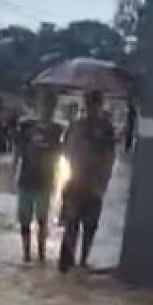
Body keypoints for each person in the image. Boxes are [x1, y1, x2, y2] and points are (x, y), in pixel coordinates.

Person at [58, 89, 116, 273]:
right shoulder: (76, 126)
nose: (91, 108)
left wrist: (102, 182)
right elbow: (66, 151)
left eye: (95, 104)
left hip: (94, 184)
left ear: (100, 106)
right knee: (71, 223)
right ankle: (70, 262)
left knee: (89, 226)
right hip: (76, 181)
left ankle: (82, 261)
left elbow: (110, 157)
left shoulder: (107, 129)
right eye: (89, 104)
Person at [14, 94, 63, 264]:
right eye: (44, 106)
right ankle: (26, 254)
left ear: (54, 109)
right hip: (26, 180)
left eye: (50, 107)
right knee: (24, 221)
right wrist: (13, 171)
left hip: (45, 181)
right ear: (38, 107)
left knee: (42, 220)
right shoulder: (26, 127)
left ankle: (41, 255)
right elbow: (18, 151)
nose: (46, 110)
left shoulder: (57, 130)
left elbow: (59, 155)